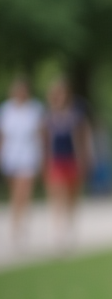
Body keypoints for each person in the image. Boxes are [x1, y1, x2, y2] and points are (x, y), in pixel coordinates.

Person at [43, 79, 90, 247]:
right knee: (58, 197)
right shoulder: (48, 117)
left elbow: (83, 140)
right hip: (57, 161)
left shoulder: (76, 115)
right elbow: (45, 143)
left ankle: (71, 226)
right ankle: (59, 232)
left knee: (72, 197)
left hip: (72, 160)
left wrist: (84, 160)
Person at [0, 76, 45, 247]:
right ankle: (16, 222)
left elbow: (39, 136)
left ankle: (20, 224)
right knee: (15, 193)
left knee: (24, 190)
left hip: (28, 154)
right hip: (11, 155)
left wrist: (41, 157)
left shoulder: (34, 109)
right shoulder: (6, 110)